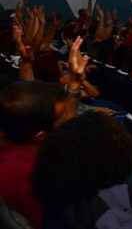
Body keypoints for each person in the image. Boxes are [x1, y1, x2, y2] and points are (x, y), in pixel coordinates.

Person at [0, 81, 77, 229]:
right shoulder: (33, 175)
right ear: (40, 136)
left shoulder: (13, 136)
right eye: (63, 117)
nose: (70, 117)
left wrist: (74, 86)